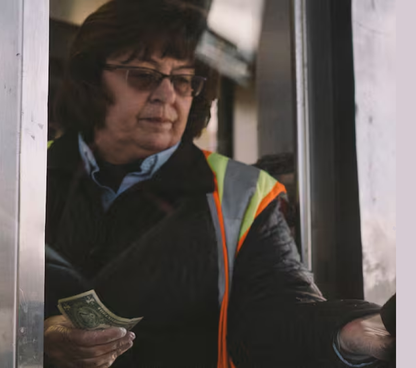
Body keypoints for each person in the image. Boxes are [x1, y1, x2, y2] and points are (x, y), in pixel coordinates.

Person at [43, 1, 395, 367]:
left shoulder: (241, 193)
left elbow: (278, 312)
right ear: (90, 81)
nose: (167, 96)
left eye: (182, 80)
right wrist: (39, 335)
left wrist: (347, 331)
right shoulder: (23, 174)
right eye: (143, 75)